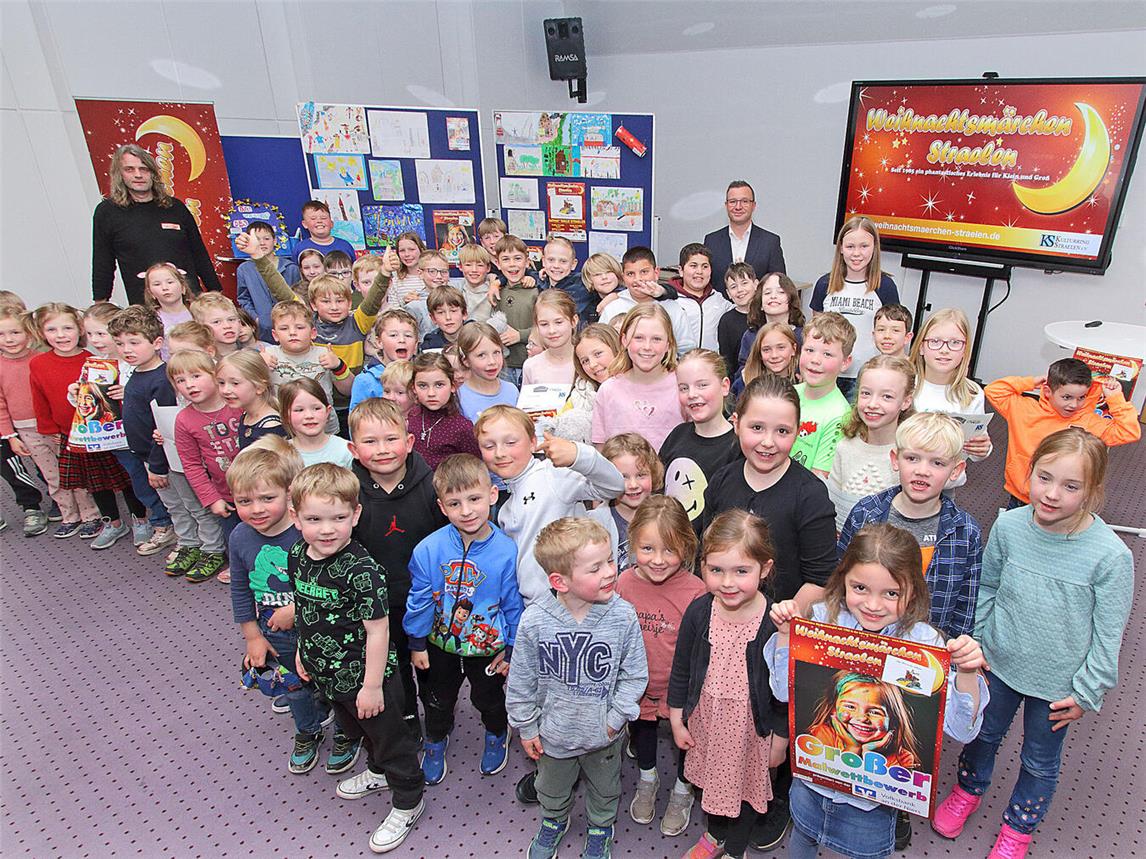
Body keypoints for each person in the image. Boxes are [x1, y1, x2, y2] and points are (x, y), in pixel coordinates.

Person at [931, 429, 1133, 859]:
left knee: (1040, 762)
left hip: (1059, 685)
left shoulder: (1111, 555)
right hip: (998, 662)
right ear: (1030, 473)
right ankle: (968, 791)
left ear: (1093, 491)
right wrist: (979, 645)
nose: (1052, 494)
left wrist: (1086, 691)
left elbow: (1108, 634)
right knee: (982, 735)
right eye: (1044, 478)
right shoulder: (1008, 525)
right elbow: (987, 587)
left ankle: (1018, 829)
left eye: (1071, 486)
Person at [767, 523, 989, 859]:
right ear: (843, 579)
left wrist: (968, 673)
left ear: (912, 591)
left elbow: (962, 729)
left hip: (871, 807)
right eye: (860, 587)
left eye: (891, 593)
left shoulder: (924, 645)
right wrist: (787, 634)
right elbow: (784, 692)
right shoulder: (824, 621)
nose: (873, 605)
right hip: (811, 786)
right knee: (802, 840)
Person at [288, 463, 426, 854]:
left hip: (367, 678)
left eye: (338, 517)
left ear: (356, 515)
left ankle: (408, 798)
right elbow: (304, 606)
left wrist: (371, 686)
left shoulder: (361, 570)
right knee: (357, 731)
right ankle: (378, 772)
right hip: (326, 672)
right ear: (295, 517)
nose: (327, 529)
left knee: (390, 739)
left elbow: (378, 630)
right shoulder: (298, 554)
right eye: (314, 519)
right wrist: (303, 648)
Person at [506, 516, 648, 859]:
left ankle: (601, 826)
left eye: (611, 560)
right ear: (560, 581)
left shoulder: (623, 615)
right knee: (550, 788)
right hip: (553, 734)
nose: (610, 572)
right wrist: (526, 726)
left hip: (604, 734)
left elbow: (634, 674)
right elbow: (521, 680)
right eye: (595, 567)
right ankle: (554, 820)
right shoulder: (536, 620)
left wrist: (615, 719)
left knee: (605, 788)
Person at [668, 510, 787, 859]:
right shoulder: (699, 612)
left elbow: (784, 691)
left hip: (753, 731)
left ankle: (736, 849)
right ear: (702, 565)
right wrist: (677, 717)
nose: (728, 582)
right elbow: (681, 670)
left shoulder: (773, 624)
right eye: (716, 570)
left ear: (764, 569)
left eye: (741, 571)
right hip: (708, 721)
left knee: (748, 789)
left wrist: (780, 739)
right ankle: (716, 835)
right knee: (712, 786)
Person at [405, 454, 524, 784]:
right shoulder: (428, 549)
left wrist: (512, 646)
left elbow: (514, 604)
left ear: (492, 495)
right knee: (437, 699)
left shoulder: (508, 551)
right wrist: (416, 643)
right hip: (438, 644)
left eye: (474, 499)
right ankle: (435, 739)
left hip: (489, 647)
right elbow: (418, 600)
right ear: (442, 508)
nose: (467, 510)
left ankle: (498, 733)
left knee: (488, 698)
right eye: (455, 503)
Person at [349, 397, 447, 745]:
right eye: (370, 441)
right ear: (353, 448)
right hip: (377, 606)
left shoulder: (433, 484)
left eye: (391, 439)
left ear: (408, 442)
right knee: (393, 670)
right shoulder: (348, 492)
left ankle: (437, 718)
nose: (382, 450)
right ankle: (406, 721)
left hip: (428, 600)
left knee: (432, 666)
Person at [225, 438, 327, 773]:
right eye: (244, 501)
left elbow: (328, 583)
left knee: (328, 676)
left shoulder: (306, 533)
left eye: (267, 498)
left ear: (289, 495)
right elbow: (240, 589)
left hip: (319, 622)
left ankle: (344, 729)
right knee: (294, 686)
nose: (256, 509)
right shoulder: (240, 537)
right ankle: (308, 730)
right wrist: (252, 635)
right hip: (274, 628)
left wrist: (297, 608)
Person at [838, 410, 982, 638]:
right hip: (863, 640)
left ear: (955, 471)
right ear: (895, 460)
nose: (922, 471)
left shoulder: (965, 531)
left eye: (937, 463)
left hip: (927, 650)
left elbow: (965, 605)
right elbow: (840, 578)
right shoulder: (866, 514)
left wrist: (953, 654)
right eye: (912, 458)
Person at [614, 496, 706, 834]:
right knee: (645, 733)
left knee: (686, 740)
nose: (657, 560)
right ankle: (647, 778)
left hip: (680, 689)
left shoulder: (697, 592)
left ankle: (684, 789)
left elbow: (700, 651)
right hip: (637, 686)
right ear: (633, 541)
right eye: (648, 548)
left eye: (669, 550)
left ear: (686, 546)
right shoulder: (623, 584)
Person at [27, 303, 134, 544]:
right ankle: (110, 522)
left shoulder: (93, 360)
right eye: (53, 329)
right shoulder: (39, 363)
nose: (61, 335)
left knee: (124, 478)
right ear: (41, 333)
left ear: (78, 330)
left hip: (108, 431)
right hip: (75, 433)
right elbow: (40, 398)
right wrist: (49, 428)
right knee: (94, 482)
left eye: (67, 328)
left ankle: (142, 520)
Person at [985, 356, 1139, 507]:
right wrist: (1032, 382)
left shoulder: (1089, 422)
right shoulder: (1024, 410)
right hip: (1022, 496)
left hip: (1062, 503)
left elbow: (1129, 431)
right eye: (1067, 397)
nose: (1074, 404)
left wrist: (1116, 399)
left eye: (1081, 398)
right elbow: (994, 390)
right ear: (1047, 391)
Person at [91, 144, 222, 305]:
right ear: (119, 174)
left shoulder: (175, 207)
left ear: (153, 173)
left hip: (188, 300)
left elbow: (199, 253)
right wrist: (100, 304)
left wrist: (216, 293)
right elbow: (103, 261)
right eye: (130, 169)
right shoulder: (108, 212)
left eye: (144, 169)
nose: (138, 175)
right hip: (145, 306)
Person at [108, 306, 190, 558]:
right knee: (170, 502)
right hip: (145, 454)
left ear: (156, 343)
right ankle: (186, 539)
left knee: (181, 504)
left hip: (164, 458)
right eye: (120, 343)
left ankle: (190, 544)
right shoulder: (136, 374)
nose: (126, 350)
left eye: (134, 342)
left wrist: (156, 465)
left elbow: (163, 427)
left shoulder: (161, 379)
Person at [809, 216, 899, 400]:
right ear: (841, 248)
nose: (856, 253)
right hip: (827, 374)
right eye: (850, 247)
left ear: (874, 247)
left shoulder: (885, 286)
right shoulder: (824, 284)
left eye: (864, 246)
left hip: (866, 377)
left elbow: (894, 333)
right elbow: (815, 334)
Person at [170, 349, 240, 582]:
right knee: (235, 538)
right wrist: (211, 498)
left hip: (260, 487)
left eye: (196, 376)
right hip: (226, 494)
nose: (189, 385)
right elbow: (191, 465)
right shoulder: (184, 420)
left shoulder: (237, 404)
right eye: (181, 380)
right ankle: (239, 567)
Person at [827, 355, 916, 531]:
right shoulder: (845, 447)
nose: (873, 404)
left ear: (906, 401)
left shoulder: (911, 455)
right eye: (866, 393)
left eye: (887, 397)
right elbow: (833, 505)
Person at [909, 308, 992, 491]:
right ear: (921, 347)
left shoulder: (972, 393)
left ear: (965, 350)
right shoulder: (906, 385)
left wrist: (983, 449)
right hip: (903, 480)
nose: (944, 350)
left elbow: (977, 442)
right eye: (935, 342)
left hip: (946, 487)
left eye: (955, 343)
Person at [659, 349, 739, 534]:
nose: (692, 394)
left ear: (725, 386)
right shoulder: (677, 436)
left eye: (702, 385)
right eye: (683, 388)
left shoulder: (737, 447)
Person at [592, 304, 684, 452]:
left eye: (656, 339)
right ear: (624, 340)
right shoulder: (609, 390)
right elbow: (601, 450)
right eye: (639, 338)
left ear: (669, 344)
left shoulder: (683, 386)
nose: (647, 346)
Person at [264, 301, 353, 435]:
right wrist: (259, 364)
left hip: (325, 429)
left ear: (313, 333)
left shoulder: (324, 355)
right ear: (275, 335)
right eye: (284, 328)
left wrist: (338, 365)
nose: (292, 333)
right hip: (284, 430)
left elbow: (348, 390)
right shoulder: (269, 355)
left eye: (299, 327)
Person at [0, 301, 50, 537]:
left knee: (50, 467)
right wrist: (9, 434)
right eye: (2, 334)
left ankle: (61, 499)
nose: (8, 339)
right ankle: (32, 506)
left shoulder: (40, 359)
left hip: (44, 424)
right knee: (16, 466)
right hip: (15, 427)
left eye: (15, 333)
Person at [790, 312, 854, 479]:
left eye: (827, 354)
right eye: (810, 350)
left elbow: (819, 477)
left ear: (845, 362)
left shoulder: (840, 415)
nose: (815, 360)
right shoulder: (789, 394)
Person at [599, 248, 695, 354]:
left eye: (644, 272)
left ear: (656, 272)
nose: (638, 279)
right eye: (630, 274)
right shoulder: (612, 308)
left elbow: (686, 349)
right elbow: (600, 346)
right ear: (623, 277)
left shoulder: (673, 308)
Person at [703, 180, 786, 289]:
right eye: (733, 201)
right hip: (719, 305)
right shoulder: (711, 241)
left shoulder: (770, 242)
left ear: (753, 206)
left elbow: (779, 285)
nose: (738, 207)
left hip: (757, 306)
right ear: (726, 205)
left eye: (744, 201)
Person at [599, 433, 662, 572]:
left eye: (641, 475)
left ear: (653, 474)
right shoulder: (595, 523)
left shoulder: (665, 518)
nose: (633, 484)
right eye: (623, 477)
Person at [407, 352, 480, 470]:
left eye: (439, 385)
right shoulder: (411, 418)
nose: (431, 393)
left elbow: (474, 468)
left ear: (452, 386)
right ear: (413, 388)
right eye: (423, 386)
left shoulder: (461, 427)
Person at [549, 324, 620, 444]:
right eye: (585, 361)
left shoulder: (635, 386)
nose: (592, 364)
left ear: (616, 348)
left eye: (598, 354)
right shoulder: (579, 394)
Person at [736, 271, 805, 385]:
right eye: (767, 293)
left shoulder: (803, 336)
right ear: (760, 303)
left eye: (781, 292)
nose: (773, 296)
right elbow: (742, 371)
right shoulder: (750, 336)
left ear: (791, 299)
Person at [236, 222, 301, 342]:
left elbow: (298, 296)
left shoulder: (291, 268)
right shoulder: (244, 269)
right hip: (262, 330)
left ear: (275, 240)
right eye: (256, 239)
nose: (262, 243)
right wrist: (255, 319)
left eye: (266, 238)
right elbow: (243, 299)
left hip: (291, 327)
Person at [490, 235, 538, 387]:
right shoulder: (497, 291)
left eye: (517, 258)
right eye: (505, 259)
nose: (512, 265)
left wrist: (520, 335)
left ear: (527, 261)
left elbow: (545, 328)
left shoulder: (537, 291)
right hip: (504, 365)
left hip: (531, 362)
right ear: (497, 263)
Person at [350, 309, 420, 410]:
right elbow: (355, 421)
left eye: (408, 335)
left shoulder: (421, 376)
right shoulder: (365, 381)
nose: (402, 340)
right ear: (379, 342)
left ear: (416, 344)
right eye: (393, 335)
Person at [215, 350, 286, 449]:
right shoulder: (247, 416)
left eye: (235, 383)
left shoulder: (269, 427)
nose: (226, 390)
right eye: (221, 383)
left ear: (259, 387)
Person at [279, 378, 354, 469]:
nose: (309, 416)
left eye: (316, 408)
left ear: (328, 411)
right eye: (299, 410)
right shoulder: (280, 455)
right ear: (286, 416)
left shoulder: (346, 450)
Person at [674, 243, 733, 353]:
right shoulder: (671, 301)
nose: (699, 271)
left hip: (711, 366)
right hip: (678, 366)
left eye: (705, 266)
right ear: (681, 270)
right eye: (693, 266)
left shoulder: (719, 299)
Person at [456, 321, 518, 423]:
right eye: (481, 355)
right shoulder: (459, 397)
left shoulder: (512, 390)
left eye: (496, 353)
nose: (492, 362)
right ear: (465, 361)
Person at [522, 289, 579, 386]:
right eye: (544, 324)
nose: (552, 330)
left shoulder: (585, 362)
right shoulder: (531, 366)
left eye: (558, 322)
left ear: (573, 321)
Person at [141, 262, 194, 359]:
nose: (165, 288)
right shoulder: (151, 320)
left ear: (183, 287)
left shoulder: (197, 312)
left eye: (170, 282)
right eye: (157, 284)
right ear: (150, 293)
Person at [716, 263, 758, 383]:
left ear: (756, 284)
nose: (740, 290)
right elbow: (727, 361)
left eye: (744, 283)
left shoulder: (766, 314)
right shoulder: (726, 321)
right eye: (733, 287)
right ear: (728, 293)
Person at [735, 322, 799, 397]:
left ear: (794, 349)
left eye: (781, 348)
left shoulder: (803, 381)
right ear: (759, 353)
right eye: (766, 350)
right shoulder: (745, 382)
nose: (774, 355)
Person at [189, 292, 244, 358]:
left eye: (231, 320)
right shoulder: (202, 362)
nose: (227, 326)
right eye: (216, 322)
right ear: (201, 327)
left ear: (239, 322)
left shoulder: (253, 352)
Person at [419, 286, 468, 351]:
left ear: (464, 313)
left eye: (453, 311)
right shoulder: (430, 346)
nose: (448, 317)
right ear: (433, 318)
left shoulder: (478, 338)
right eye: (441, 312)